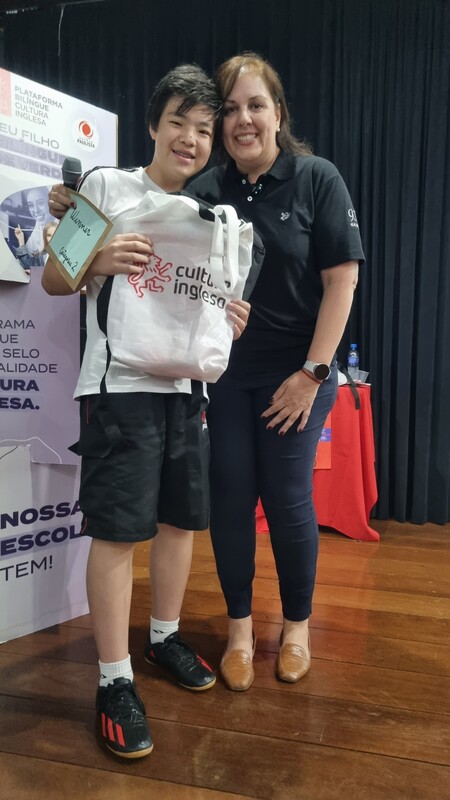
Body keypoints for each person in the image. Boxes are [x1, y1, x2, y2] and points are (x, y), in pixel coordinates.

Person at [42, 65, 251, 759]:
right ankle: (113, 678)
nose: (190, 139)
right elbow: (54, 277)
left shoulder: (209, 215)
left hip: (186, 391)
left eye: (203, 130)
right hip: (119, 388)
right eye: (178, 123)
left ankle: (163, 637)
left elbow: (207, 303)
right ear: (154, 126)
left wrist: (228, 317)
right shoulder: (106, 187)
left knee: (180, 521)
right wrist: (98, 259)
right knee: (117, 530)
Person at [188, 53, 365, 691]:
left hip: (299, 374)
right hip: (225, 377)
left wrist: (313, 373)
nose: (243, 119)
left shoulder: (317, 178)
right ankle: (240, 631)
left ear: (278, 114)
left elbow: (342, 281)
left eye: (256, 105)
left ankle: (296, 628)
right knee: (231, 499)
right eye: (231, 108)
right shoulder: (204, 191)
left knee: (288, 498)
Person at [14, 186, 54, 267]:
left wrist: (34, 271)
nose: (36, 210)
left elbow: (33, 267)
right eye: (31, 205)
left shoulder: (57, 230)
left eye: (40, 203)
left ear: (50, 203)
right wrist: (21, 240)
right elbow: (29, 263)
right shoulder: (39, 225)